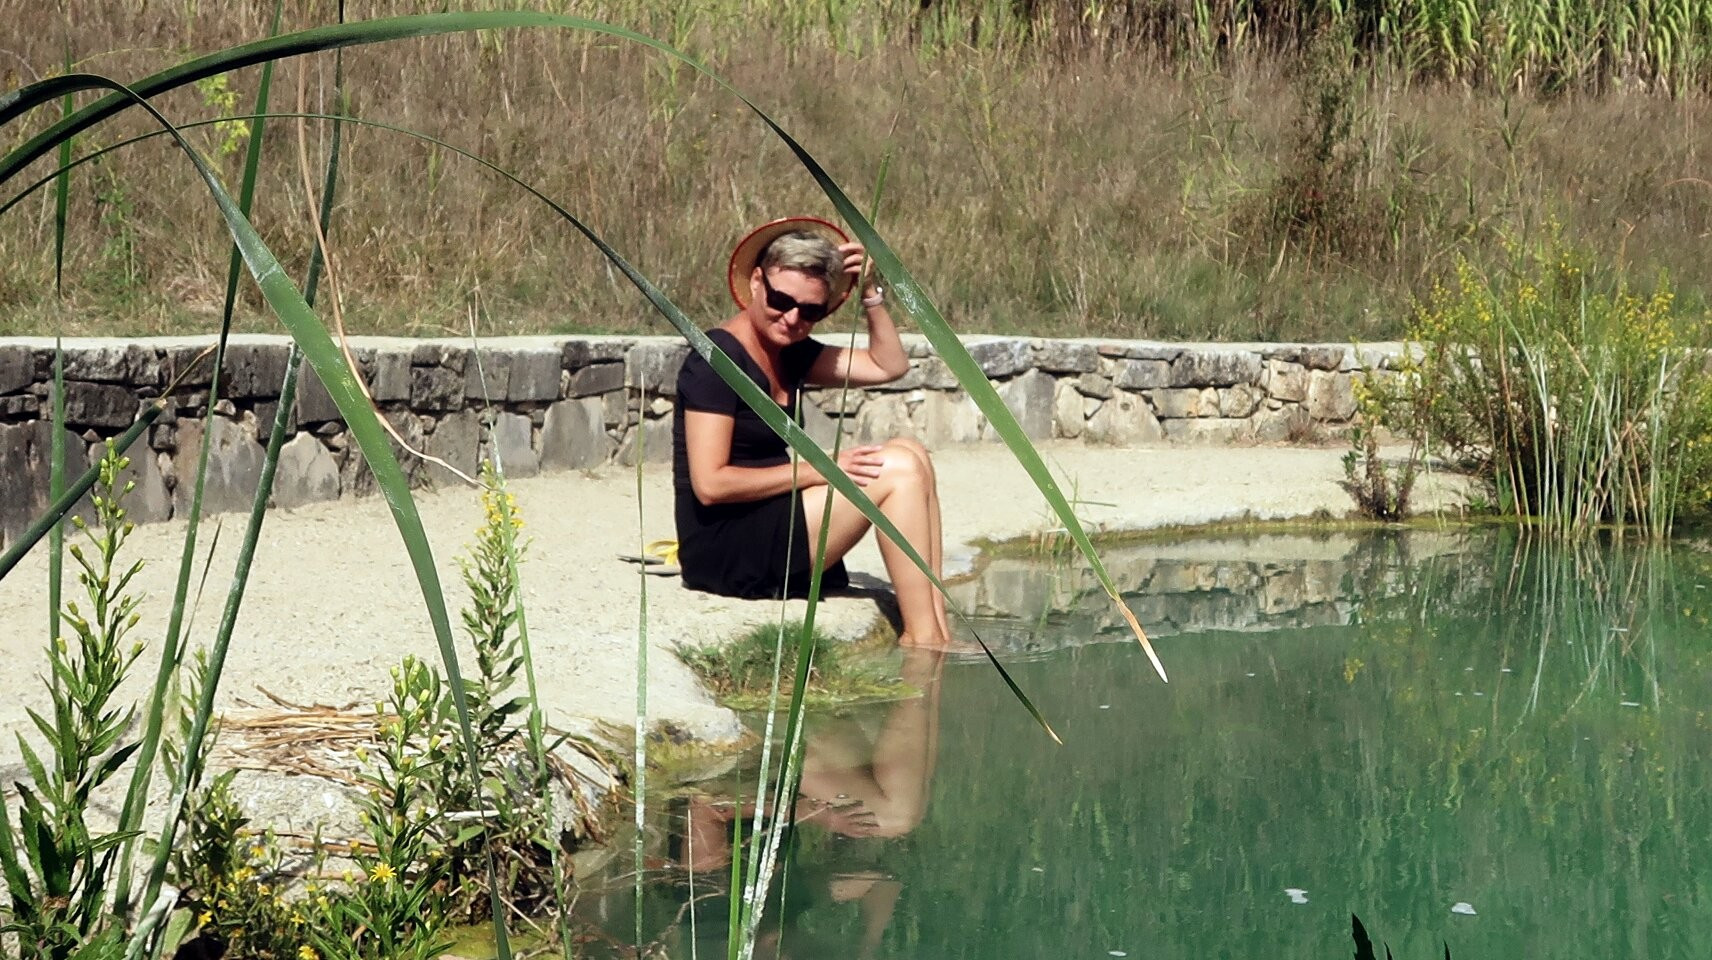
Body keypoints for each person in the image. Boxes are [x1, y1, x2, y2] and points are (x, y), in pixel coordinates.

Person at [672, 217, 954, 648]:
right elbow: (711, 485)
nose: (791, 318)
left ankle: (936, 630)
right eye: (782, 300)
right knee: (896, 470)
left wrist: (872, 296)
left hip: (776, 514)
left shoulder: (789, 351)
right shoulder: (716, 361)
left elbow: (888, 366)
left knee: (911, 452)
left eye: (810, 311)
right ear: (756, 282)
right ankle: (923, 640)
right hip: (727, 547)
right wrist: (822, 469)